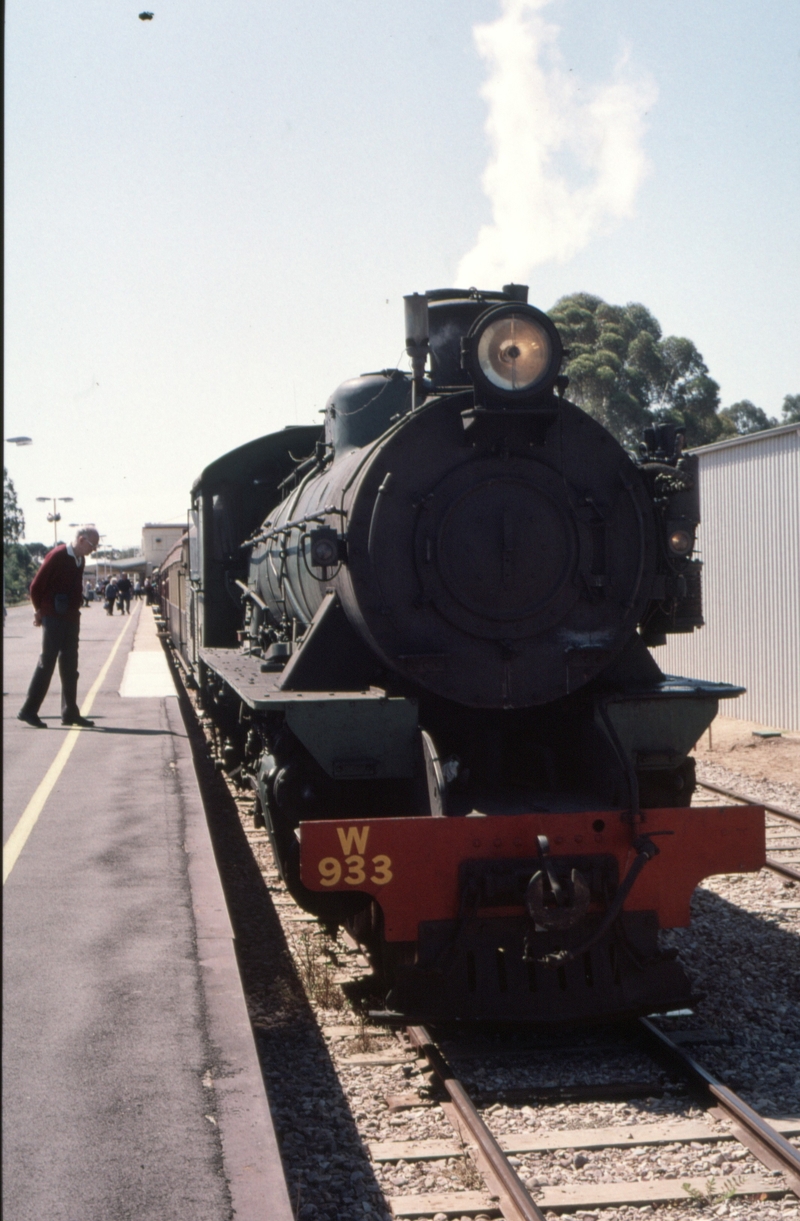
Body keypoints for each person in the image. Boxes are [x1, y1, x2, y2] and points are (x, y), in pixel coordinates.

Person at [17, 526, 100, 729]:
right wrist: (39, 611)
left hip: (71, 617)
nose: (94, 550)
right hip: (53, 616)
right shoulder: (57, 555)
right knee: (47, 663)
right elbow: (35, 587)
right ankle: (28, 710)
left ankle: (70, 712)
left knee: (70, 666)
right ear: (81, 540)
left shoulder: (80, 560)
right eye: (93, 545)